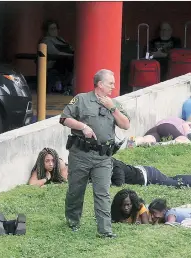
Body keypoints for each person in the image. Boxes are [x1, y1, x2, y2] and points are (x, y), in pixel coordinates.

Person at [59, 69, 130, 238]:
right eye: (110, 83)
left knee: (102, 193)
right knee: (76, 190)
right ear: (100, 84)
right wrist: (82, 127)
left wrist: (112, 109)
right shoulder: (82, 99)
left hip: (103, 157)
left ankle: (105, 231)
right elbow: (64, 118)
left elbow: (125, 125)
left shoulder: (114, 104)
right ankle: (72, 220)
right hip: (81, 154)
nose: (113, 86)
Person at [111, 158, 191, 188]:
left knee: (176, 183)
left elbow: (119, 184)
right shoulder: (114, 162)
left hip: (150, 176)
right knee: (173, 179)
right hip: (146, 171)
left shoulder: (116, 168)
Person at [126, 117, 191, 148]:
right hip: (167, 127)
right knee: (185, 141)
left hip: (156, 128)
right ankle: (159, 145)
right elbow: (189, 135)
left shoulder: (173, 119)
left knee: (145, 139)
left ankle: (130, 143)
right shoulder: (184, 123)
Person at [40, 20, 74, 95]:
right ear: (47, 30)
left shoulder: (60, 39)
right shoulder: (46, 40)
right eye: (52, 29)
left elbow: (70, 48)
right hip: (55, 63)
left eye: (55, 28)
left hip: (66, 61)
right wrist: (69, 55)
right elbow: (54, 53)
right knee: (68, 61)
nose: (54, 31)